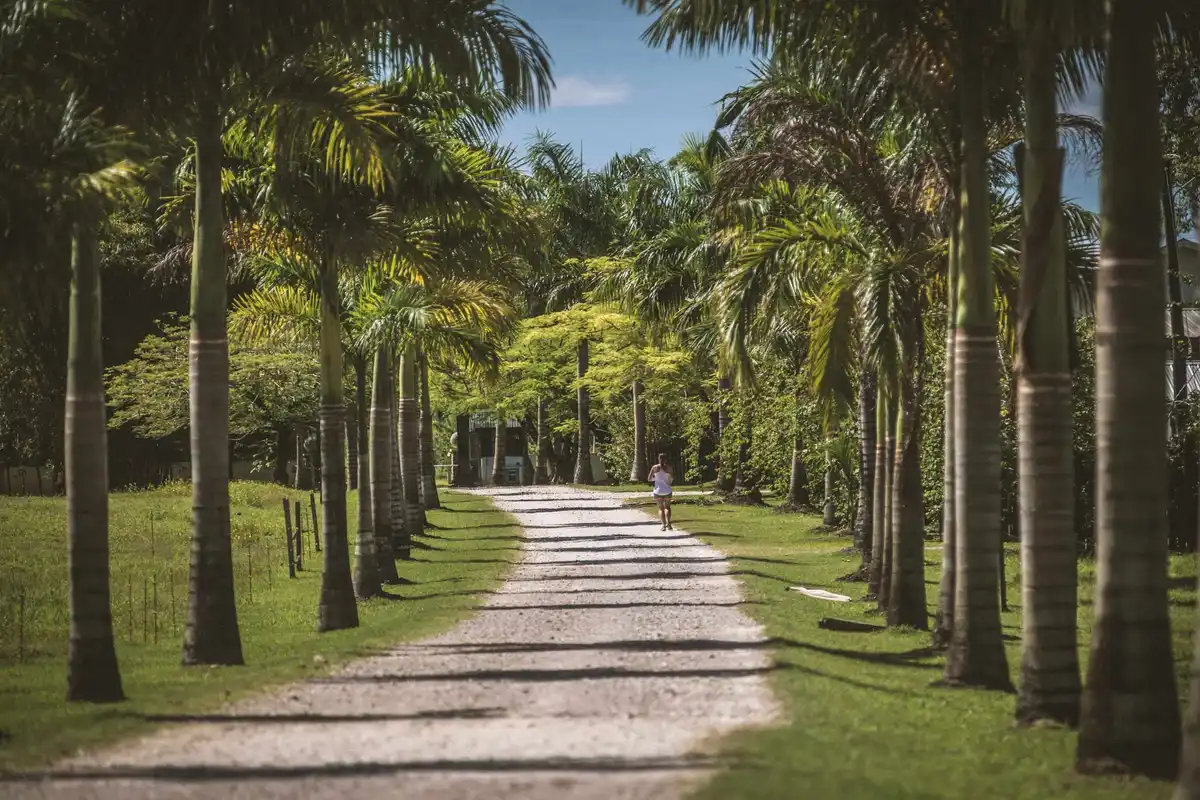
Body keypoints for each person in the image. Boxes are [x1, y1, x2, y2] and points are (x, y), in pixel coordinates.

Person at [648, 453, 673, 531]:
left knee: (660, 508)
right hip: (667, 490)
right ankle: (669, 524)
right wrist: (668, 482)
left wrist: (655, 479)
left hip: (658, 491)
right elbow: (671, 479)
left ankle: (663, 526)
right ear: (666, 459)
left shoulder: (654, 467)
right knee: (667, 507)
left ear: (658, 459)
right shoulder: (669, 468)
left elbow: (649, 479)